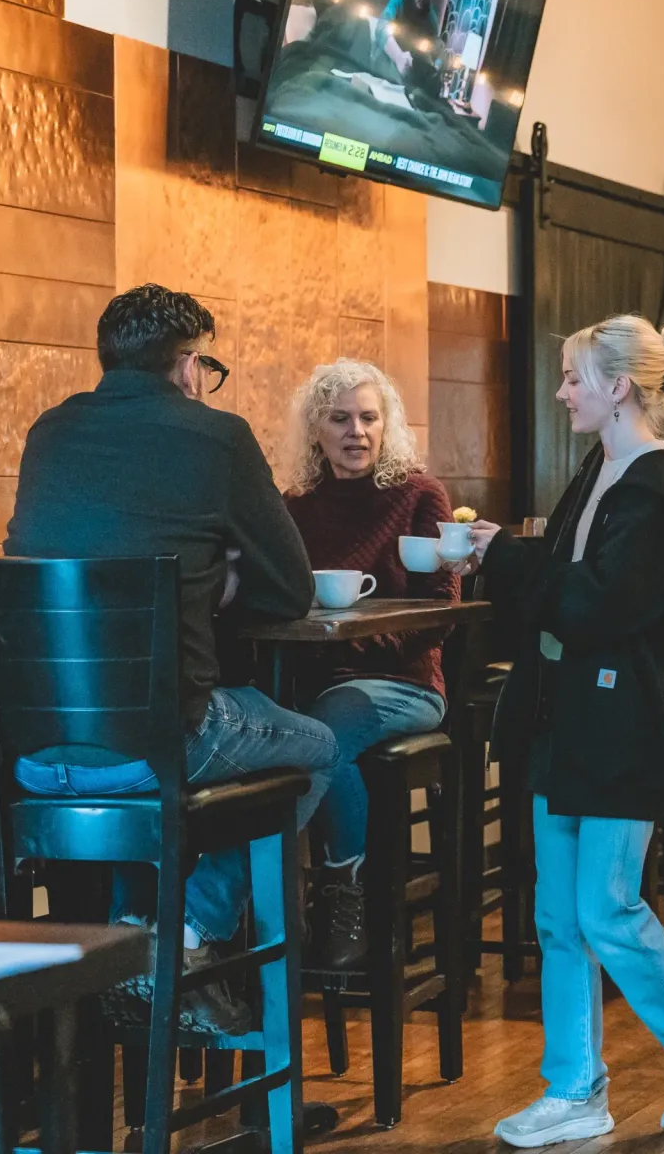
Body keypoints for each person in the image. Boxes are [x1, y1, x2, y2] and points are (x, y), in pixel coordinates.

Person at [5, 283, 337, 1034]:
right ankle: (185, 936)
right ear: (189, 365)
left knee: (152, 763)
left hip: (33, 756)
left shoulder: (48, 432)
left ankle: (132, 947)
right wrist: (218, 584)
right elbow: (291, 591)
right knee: (318, 747)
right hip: (157, 743)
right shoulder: (216, 437)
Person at [457, 315, 664, 1147]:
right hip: (566, 719)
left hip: (625, 727)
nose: (561, 391)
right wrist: (507, 553)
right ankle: (576, 1090)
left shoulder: (655, 488)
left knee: (608, 907)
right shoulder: (604, 466)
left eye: (574, 377)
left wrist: (507, 561)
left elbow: (591, 606)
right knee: (559, 917)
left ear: (619, 387)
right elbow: (566, 579)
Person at [283, 359, 455, 968]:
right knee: (301, 732)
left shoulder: (417, 494)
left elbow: (442, 608)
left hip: (406, 683)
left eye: (368, 417)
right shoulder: (296, 505)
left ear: (386, 427)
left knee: (321, 733)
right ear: (316, 430)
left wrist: (353, 647)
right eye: (339, 418)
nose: (356, 431)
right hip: (318, 684)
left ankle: (338, 890)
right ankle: (293, 896)